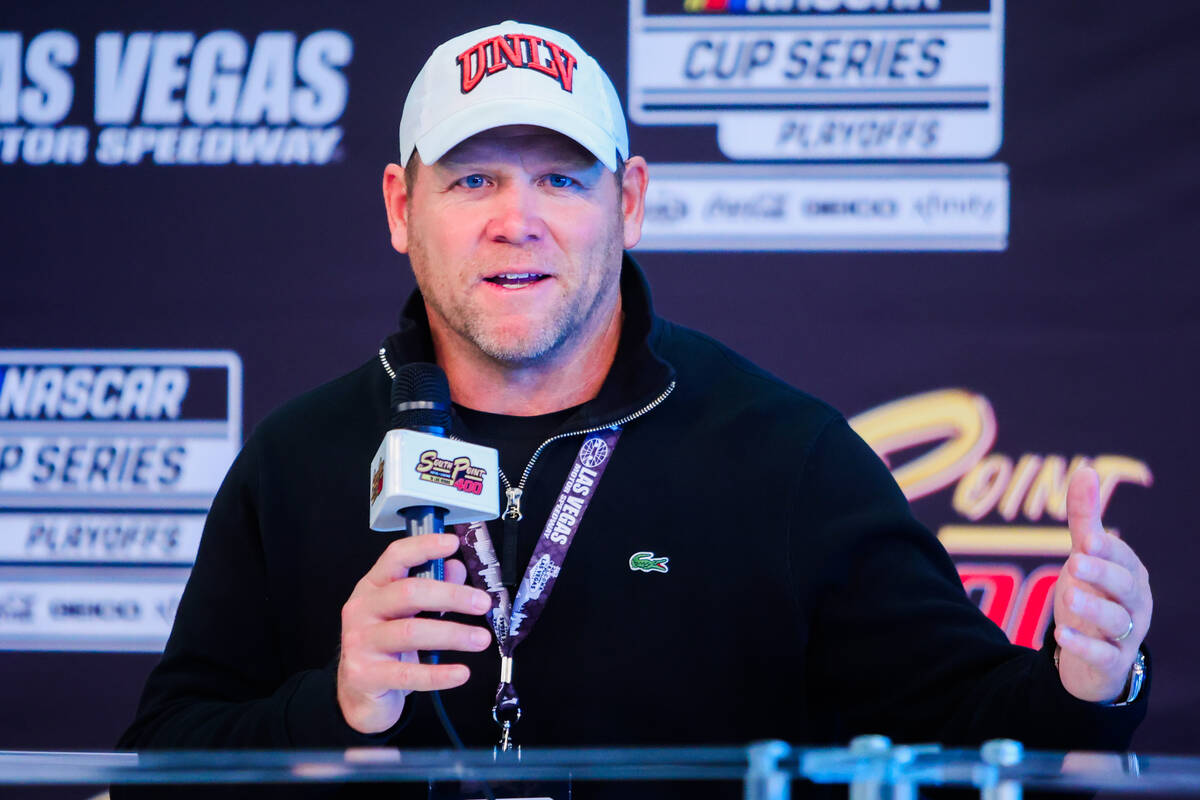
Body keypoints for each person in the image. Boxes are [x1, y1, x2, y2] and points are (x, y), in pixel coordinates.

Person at [119, 18, 1151, 791]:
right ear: (402, 207)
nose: (516, 222)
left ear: (632, 199)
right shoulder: (300, 455)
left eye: (562, 180)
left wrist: (1087, 679)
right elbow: (154, 760)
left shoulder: (779, 452)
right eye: (474, 181)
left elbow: (973, 723)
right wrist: (333, 708)